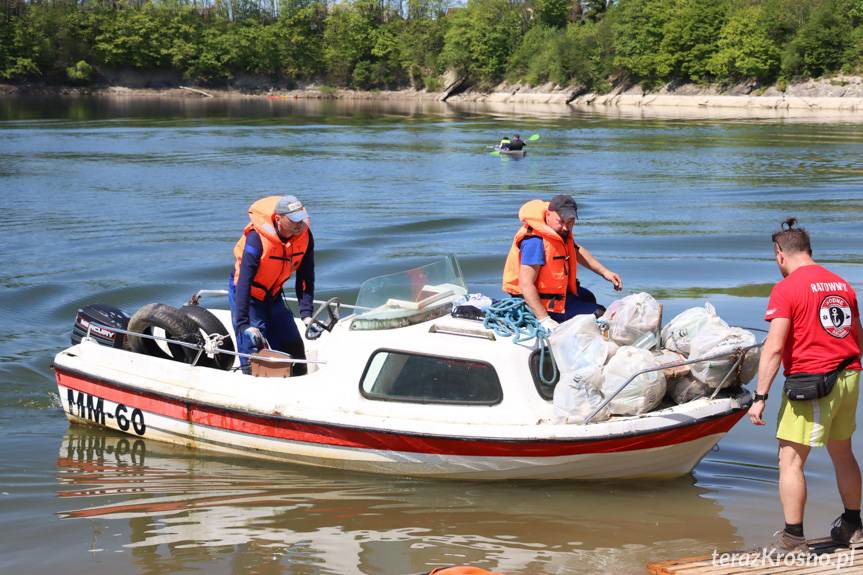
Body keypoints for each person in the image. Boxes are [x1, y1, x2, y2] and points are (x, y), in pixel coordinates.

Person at [748, 218, 863, 554]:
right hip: (850, 373)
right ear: (810, 251)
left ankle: (793, 539)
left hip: (813, 382)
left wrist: (760, 396)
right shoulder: (841, 284)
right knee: (843, 453)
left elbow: (774, 346)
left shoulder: (787, 288)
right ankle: (853, 527)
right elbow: (857, 335)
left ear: (779, 254)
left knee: (790, 461)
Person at [501, 195, 622, 330]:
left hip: (555, 296)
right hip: (536, 301)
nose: (565, 227)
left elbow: (576, 251)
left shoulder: (559, 233)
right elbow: (525, 285)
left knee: (588, 297)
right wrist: (544, 319)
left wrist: (605, 272)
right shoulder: (534, 242)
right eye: (561, 221)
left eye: (570, 221)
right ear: (548, 215)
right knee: (599, 314)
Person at [229, 195, 315, 376]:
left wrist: (307, 314)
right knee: (254, 349)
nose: (300, 225)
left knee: (293, 345)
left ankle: (297, 381)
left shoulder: (305, 237)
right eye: (294, 221)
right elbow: (244, 281)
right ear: (278, 219)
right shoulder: (256, 239)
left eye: (301, 219)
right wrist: (244, 325)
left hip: (273, 294)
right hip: (248, 295)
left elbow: (306, 277)